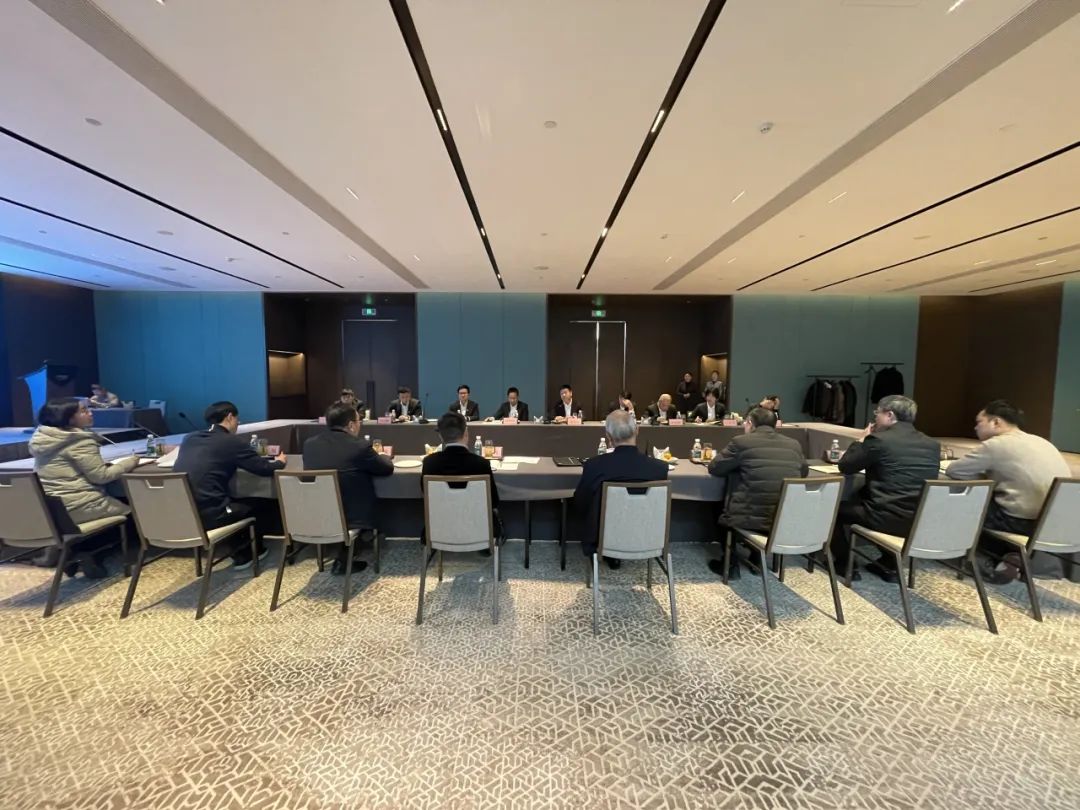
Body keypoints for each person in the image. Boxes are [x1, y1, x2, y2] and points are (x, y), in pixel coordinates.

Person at [946, 400, 1071, 582]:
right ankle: (1010, 555)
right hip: (1055, 523)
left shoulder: (996, 445)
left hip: (1022, 522)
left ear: (996, 422)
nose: (975, 427)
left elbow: (954, 470)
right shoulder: (1043, 442)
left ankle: (989, 561)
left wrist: (987, 478)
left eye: (979, 422)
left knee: (968, 503)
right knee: (996, 502)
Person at [830, 395, 940, 582]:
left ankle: (846, 564)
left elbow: (846, 466)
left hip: (883, 515)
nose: (875, 418)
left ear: (890, 415)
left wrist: (861, 440)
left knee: (831, 511)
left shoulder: (878, 440)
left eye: (877, 413)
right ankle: (889, 565)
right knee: (865, 498)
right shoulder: (932, 444)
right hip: (917, 519)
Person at [29, 397, 140, 578]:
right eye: (83, 411)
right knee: (136, 514)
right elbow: (102, 476)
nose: (90, 413)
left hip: (53, 508)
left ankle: (68, 552)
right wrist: (131, 461)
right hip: (80, 505)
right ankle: (89, 554)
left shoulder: (43, 439)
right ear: (68, 418)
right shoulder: (79, 441)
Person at [174, 401, 287, 569]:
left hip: (185, 513)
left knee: (234, 501)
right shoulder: (231, 441)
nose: (238, 423)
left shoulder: (189, 439)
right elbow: (263, 468)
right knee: (263, 504)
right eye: (237, 419)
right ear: (229, 417)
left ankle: (239, 548)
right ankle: (246, 553)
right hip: (212, 514)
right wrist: (280, 462)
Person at [706, 407, 808, 579]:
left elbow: (715, 467)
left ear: (750, 423)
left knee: (720, 506)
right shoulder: (794, 444)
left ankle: (730, 564)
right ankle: (757, 558)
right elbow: (803, 472)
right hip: (782, 518)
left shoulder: (741, 442)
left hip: (749, 517)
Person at [303, 400, 394, 574]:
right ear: (351, 425)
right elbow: (386, 468)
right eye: (359, 421)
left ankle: (351, 548)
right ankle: (353, 547)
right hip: (352, 517)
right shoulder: (359, 446)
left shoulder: (309, 445)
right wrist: (383, 455)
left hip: (317, 513)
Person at [573, 410, 669, 570]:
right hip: (647, 537)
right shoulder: (659, 468)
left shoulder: (594, 466)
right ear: (637, 430)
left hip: (603, 539)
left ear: (608, 436)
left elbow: (580, 502)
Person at [421, 412, 500, 539]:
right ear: (466, 433)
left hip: (439, 530)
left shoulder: (429, 462)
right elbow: (493, 501)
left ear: (440, 436)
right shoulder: (481, 464)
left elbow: (425, 492)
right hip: (478, 531)